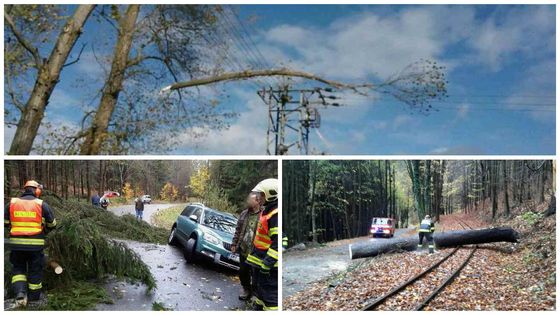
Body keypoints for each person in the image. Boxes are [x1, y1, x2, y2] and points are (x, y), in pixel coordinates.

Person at [4, 180, 57, 308]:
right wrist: (43, 231)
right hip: (35, 245)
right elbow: (53, 224)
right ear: (37, 190)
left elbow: (4, 222)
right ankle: (34, 298)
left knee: (18, 268)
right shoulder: (41, 204)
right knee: (35, 269)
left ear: (25, 189)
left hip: (16, 245)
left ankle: (20, 293)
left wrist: (13, 229)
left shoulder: (12, 203)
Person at [246, 178, 278, 311]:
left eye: (261, 194)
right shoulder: (266, 211)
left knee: (270, 298)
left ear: (270, 195)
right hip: (260, 262)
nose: (258, 197)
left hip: (268, 266)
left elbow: (277, 244)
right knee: (260, 292)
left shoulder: (275, 215)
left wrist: (267, 263)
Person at [231, 192, 262, 301]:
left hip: (256, 251)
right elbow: (238, 230)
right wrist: (234, 244)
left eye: (251, 199)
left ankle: (255, 294)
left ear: (258, 201)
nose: (248, 201)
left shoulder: (263, 214)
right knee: (243, 272)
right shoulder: (244, 214)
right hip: (244, 249)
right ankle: (246, 290)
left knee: (255, 274)